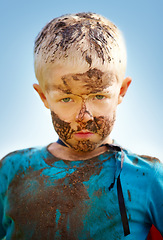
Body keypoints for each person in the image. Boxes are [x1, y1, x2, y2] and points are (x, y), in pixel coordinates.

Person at [0, 12, 162, 240]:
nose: (84, 116)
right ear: (44, 96)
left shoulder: (148, 177)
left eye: (98, 96)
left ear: (121, 91)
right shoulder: (11, 171)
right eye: (67, 99)